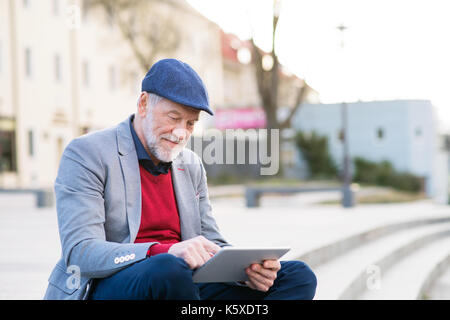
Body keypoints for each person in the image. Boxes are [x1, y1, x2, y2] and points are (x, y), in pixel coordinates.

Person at [44, 59, 317, 300]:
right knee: (168, 269)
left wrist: (246, 272)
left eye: (190, 123)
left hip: (183, 283)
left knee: (298, 276)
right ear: (143, 104)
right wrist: (163, 251)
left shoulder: (191, 165)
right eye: (173, 118)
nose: (180, 133)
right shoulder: (87, 153)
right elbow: (80, 253)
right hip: (113, 284)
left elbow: (211, 241)